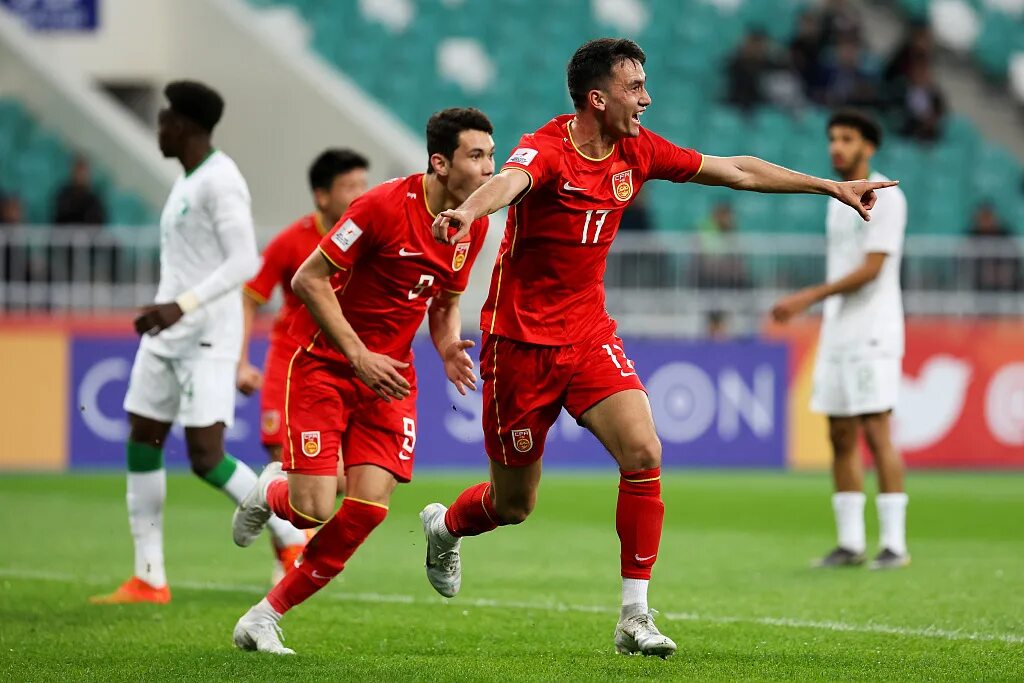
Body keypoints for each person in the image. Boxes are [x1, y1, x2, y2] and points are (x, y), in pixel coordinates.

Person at [421, 39, 898, 658]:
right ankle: (447, 527)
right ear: (598, 98)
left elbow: (738, 169)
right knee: (513, 504)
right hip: (520, 345)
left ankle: (634, 615)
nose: (646, 99)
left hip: (589, 335)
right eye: (634, 87)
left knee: (644, 449)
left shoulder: (637, 151)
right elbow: (510, 183)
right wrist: (465, 211)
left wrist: (828, 186)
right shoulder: (549, 149)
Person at [229, 108, 494, 655]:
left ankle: (264, 617)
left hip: (390, 379)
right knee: (313, 508)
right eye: (477, 156)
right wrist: (357, 353)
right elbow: (308, 279)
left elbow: (444, 302)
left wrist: (446, 347)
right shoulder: (379, 207)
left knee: (369, 508)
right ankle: (267, 490)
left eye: (491, 155)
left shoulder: (474, 222)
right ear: (441, 163)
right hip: (326, 368)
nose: (490, 168)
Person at [89, 80, 307, 605]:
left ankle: (288, 536)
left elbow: (242, 263)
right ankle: (149, 576)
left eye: (163, 120)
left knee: (206, 457)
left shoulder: (220, 181)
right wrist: (168, 308)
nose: (158, 128)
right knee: (143, 438)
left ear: (182, 126)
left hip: (206, 336)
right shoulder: (187, 180)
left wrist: (179, 305)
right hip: (167, 336)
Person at [771, 110, 909, 571]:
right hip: (838, 331)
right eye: (833, 138)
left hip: (874, 330)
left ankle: (894, 543)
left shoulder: (886, 195)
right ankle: (851, 543)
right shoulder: (837, 199)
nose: (836, 147)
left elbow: (872, 269)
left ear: (868, 146)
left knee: (876, 430)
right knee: (840, 433)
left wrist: (808, 296)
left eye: (847, 139)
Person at [236, 149, 369, 581]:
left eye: (362, 185)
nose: (359, 195)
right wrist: (240, 362)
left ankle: (270, 504)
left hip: (344, 366)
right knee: (297, 468)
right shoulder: (293, 241)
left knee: (347, 479)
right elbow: (251, 296)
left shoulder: (368, 236)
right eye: (349, 187)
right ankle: (287, 561)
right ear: (321, 196)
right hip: (292, 364)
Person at [965, 202, 1022, 293]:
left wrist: (1001, 272)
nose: (986, 221)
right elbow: (963, 264)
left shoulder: (1005, 235)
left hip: (1006, 282)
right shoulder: (971, 237)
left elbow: (1015, 259)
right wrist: (985, 273)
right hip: (979, 283)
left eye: (988, 217)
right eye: (983, 217)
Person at [53, 155, 106, 225]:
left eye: (83, 171)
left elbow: (98, 224)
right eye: (78, 170)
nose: (81, 175)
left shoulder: (95, 199)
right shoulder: (63, 196)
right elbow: (61, 221)